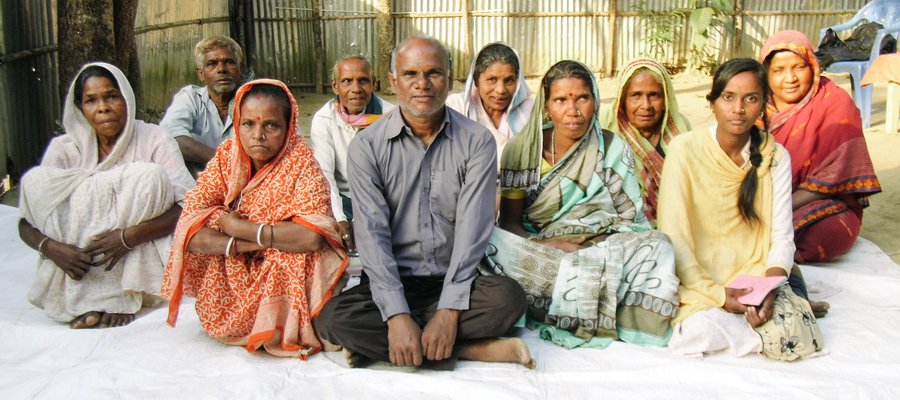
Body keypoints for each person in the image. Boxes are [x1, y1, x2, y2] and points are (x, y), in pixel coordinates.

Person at [314, 36, 533, 370]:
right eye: (410, 74)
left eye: (433, 73)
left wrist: (448, 311)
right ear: (391, 81)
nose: (422, 84)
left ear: (450, 78)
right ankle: (468, 349)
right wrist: (397, 314)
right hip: (391, 280)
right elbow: (371, 235)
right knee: (332, 318)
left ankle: (391, 346)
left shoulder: (476, 141)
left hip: (456, 279)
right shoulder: (367, 147)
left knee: (510, 299)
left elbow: (474, 231)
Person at [486, 59, 679, 350]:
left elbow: (632, 220)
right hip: (544, 253)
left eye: (582, 99)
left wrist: (597, 243)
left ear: (595, 101)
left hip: (600, 246)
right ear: (547, 106)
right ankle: (599, 304)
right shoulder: (522, 151)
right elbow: (510, 224)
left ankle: (574, 303)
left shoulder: (612, 147)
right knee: (490, 244)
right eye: (561, 100)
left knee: (659, 245)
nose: (572, 110)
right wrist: (544, 245)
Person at [162, 79, 347, 358]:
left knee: (307, 255)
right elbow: (190, 231)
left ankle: (293, 322)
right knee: (211, 231)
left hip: (285, 264)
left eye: (270, 125)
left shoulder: (302, 163)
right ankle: (266, 323)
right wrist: (249, 242)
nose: (258, 135)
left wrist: (239, 227)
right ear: (237, 123)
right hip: (237, 263)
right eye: (248, 124)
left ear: (289, 127)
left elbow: (311, 236)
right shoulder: (226, 158)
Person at [658, 58, 824, 361]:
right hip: (698, 280)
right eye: (728, 97)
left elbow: (781, 237)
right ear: (712, 102)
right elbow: (675, 238)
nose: (738, 109)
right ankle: (793, 300)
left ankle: (787, 295)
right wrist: (720, 296)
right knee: (694, 334)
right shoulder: (684, 150)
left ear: (763, 106)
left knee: (792, 339)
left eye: (751, 99)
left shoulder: (776, 156)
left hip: (754, 276)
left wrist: (769, 289)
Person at [18, 62, 194, 329]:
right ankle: (86, 296)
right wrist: (52, 249)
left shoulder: (154, 138)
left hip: (135, 248)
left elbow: (187, 206)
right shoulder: (65, 149)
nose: (103, 107)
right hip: (80, 262)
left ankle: (122, 296)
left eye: (111, 96)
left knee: (149, 177)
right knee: (34, 181)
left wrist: (127, 237)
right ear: (79, 108)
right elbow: (28, 219)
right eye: (91, 101)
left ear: (126, 98)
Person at [759, 30, 881, 264]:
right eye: (778, 70)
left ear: (813, 66)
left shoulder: (835, 103)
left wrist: (776, 210)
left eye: (798, 67)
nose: (790, 78)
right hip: (760, 200)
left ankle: (766, 252)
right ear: (765, 73)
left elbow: (835, 176)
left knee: (826, 232)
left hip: (816, 202)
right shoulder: (755, 102)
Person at [310, 55, 395, 253]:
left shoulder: (391, 117)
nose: (356, 89)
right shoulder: (324, 119)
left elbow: (391, 177)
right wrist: (340, 219)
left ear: (373, 84)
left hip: (380, 196)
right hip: (341, 198)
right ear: (335, 87)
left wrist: (361, 218)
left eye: (363, 80)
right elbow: (324, 174)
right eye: (347, 81)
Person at [600, 58, 690, 223]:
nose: (646, 105)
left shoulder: (681, 130)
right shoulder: (606, 132)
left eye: (654, 95)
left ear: (666, 99)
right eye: (636, 96)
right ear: (623, 100)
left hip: (678, 222)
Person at [161, 36, 244, 176]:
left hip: (246, 181)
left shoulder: (256, 100)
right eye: (212, 63)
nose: (222, 69)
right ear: (201, 74)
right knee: (187, 141)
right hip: (200, 185)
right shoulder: (191, 97)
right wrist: (223, 162)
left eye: (229, 62)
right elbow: (169, 136)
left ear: (241, 69)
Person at [446, 42, 534, 164]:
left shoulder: (531, 112)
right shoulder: (456, 108)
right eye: (492, 80)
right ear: (476, 80)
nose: (501, 90)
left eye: (509, 80)